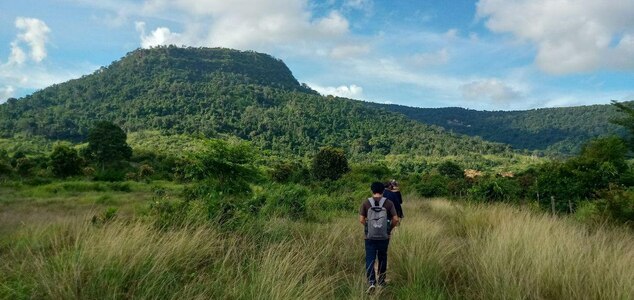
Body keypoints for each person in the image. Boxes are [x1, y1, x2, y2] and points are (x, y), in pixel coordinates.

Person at [359, 182, 399, 293]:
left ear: (372, 190)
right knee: (382, 257)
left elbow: (361, 220)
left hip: (369, 237)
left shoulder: (366, 203)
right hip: (384, 237)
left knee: (370, 258)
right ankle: (381, 281)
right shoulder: (389, 203)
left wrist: (369, 228)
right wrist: (388, 230)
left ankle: (371, 282)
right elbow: (396, 219)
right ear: (383, 191)